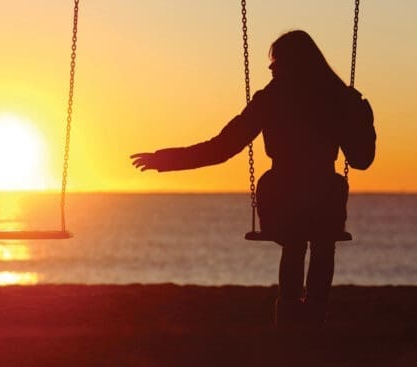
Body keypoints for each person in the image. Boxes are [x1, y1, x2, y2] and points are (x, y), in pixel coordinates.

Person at [130, 30, 376, 328]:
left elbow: (222, 148)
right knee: (322, 241)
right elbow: (362, 160)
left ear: (289, 64)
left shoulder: (271, 99)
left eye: (274, 63)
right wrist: (363, 119)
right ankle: (314, 313)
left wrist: (166, 160)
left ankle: (289, 317)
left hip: (283, 198)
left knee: (296, 242)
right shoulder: (338, 98)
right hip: (325, 199)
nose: (270, 69)